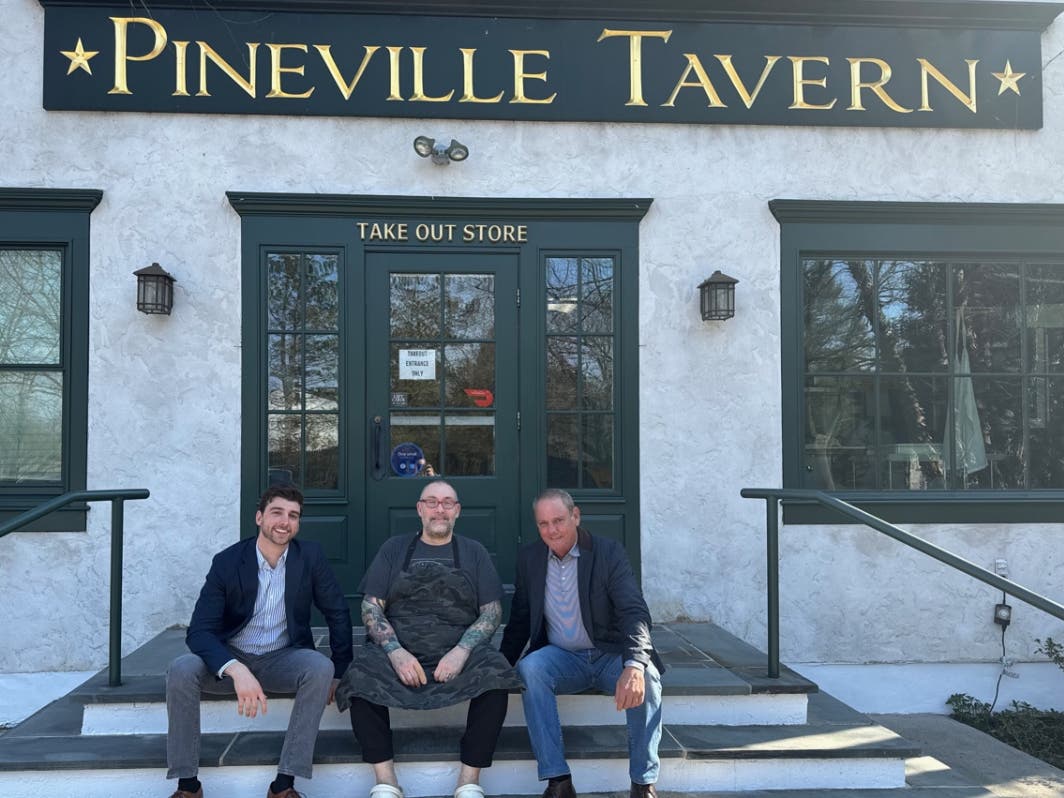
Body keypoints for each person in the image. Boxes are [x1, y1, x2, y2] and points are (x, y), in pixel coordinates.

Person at [165, 483, 353, 798]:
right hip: (230, 657)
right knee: (181, 669)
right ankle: (188, 787)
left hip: (282, 658)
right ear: (259, 517)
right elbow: (199, 630)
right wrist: (235, 669)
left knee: (320, 667)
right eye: (277, 512)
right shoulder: (228, 562)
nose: (284, 522)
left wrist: (340, 671)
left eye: (293, 515)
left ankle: (284, 786)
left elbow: (338, 612)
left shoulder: (310, 557)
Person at [335, 479, 521, 798]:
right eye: (432, 502)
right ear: (420, 509)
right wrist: (395, 652)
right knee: (360, 674)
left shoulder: (474, 552)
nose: (440, 509)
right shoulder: (394, 549)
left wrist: (462, 651)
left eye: (448, 503)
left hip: (457, 648)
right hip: (401, 648)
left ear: (457, 512)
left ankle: (468, 781)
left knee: (497, 675)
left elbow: (491, 613)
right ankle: (386, 781)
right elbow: (370, 606)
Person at [501, 488, 664, 798]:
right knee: (531, 668)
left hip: (609, 654)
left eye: (559, 520)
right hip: (563, 657)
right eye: (543, 523)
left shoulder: (608, 552)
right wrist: (499, 667)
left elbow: (634, 611)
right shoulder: (530, 559)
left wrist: (634, 665)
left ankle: (643, 783)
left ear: (575, 516)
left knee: (649, 676)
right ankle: (558, 780)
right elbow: (520, 620)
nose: (552, 530)